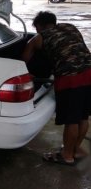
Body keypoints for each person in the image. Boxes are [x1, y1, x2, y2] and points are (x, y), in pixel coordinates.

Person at [23, 11, 91, 165]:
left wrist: (27, 73)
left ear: (39, 26)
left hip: (70, 77)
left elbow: (24, 59)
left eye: (36, 28)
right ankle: (74, 151)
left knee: (71, 119)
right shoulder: (70, 27)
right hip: (89, 71)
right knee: (83, 116)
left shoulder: (38, 38)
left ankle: (66, 156)